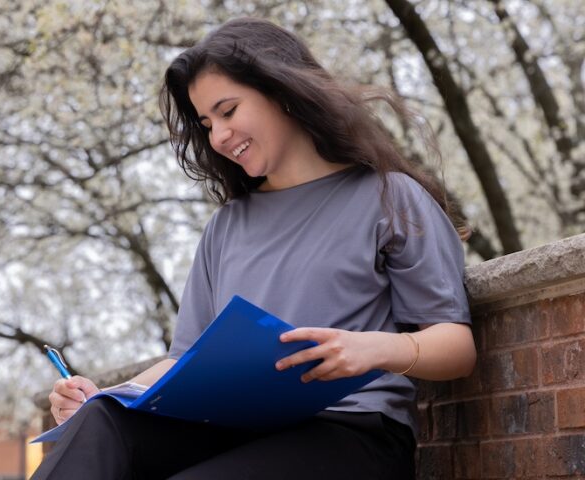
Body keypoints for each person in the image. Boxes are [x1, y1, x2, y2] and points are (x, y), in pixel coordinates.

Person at [32, 17, 476, 480]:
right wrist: (100, 395)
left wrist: (374, 349)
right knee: (102, 422)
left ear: (282, 91)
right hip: (233, 429)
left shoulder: (391, 196)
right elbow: (181, 362)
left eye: (228, 111)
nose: (218, 136)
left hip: (351, 431)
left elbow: (457, 346)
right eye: (206, 123)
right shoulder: (225, 227)